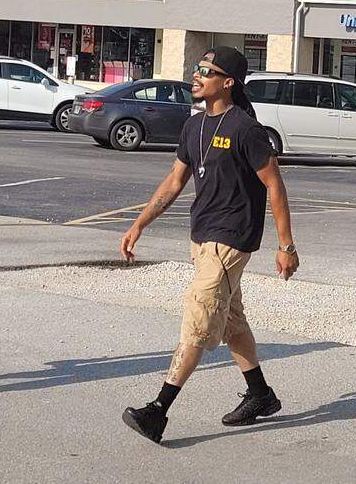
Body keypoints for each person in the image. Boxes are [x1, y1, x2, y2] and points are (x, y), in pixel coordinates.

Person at [119, 46, 298, 444]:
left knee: (198, 320)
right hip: (201, 239)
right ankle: (260, 394)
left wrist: (286, 245)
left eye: (207, 71)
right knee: (231, 320)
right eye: (197, 69)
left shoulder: (245, 129)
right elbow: (173, 182)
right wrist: (139, 225)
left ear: (228, 82)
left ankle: (158, 410)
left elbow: (274, 184)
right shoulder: (194, 126)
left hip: (231, 239)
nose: (196, 76)